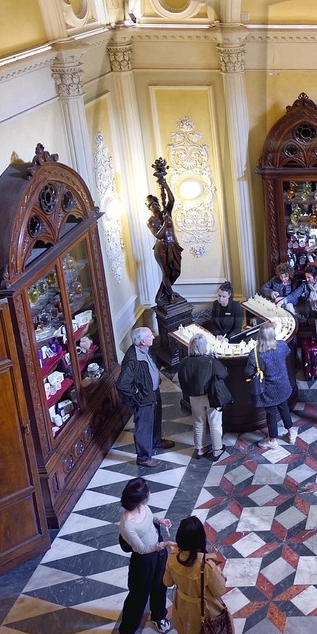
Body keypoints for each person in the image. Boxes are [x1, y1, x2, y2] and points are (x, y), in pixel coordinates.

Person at [164, 516, 230, 634]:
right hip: (204, 608)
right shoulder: (206, 565)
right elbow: (219, 590)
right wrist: (219, 572)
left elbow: (167, 582)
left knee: (191, 630)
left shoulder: (173, 556)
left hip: (182, 604)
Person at [117, 476, 176, 634]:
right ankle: (128, 631)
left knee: (160, 586)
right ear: (140, 498)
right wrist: (164, 544)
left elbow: (150, 516)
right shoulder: (127, 524)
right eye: (147, 492)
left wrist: (160, 521)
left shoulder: (142, 506)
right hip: (143, 563)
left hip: (158, 554)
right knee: (138, 597)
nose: (149, 493)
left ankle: (158, 616)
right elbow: (141, 549)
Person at [117, 327, 174, 466]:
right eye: (150, 336)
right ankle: (143, 457)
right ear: (143, 341)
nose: (153, 337)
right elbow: (122, 384)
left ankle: (155, 441)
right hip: (143, 399)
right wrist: (137, 392)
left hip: (153, 392)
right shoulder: (132, 359)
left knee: (155, 419)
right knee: (144, 426)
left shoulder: (146, 350)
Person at [178, 332, 230, 461]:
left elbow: (182, 381)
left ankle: (200, 449)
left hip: (194, 397)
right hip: (211, 396)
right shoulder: (210, 361)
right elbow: (223, 374)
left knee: (198, 422)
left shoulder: (184, 363)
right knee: (215, 422)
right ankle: (217, 450)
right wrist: (216, 359)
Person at [246, 322, 295, 448]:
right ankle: (291, 432)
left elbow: (248, 372)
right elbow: (287, 352)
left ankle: (272, 440)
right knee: (284, 407)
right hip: (283, 385)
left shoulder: (255, 354)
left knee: (271, 414)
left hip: (269, 390)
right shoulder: (282, 346)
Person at [146, 157, 185, 309]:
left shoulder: (165, 212)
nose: (155, 206)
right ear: (148, 207)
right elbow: (158, 235)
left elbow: (172, 200)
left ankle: (162, 292)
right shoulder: (151, 221)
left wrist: (165, 184)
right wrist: (166, 223)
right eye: (152, 204)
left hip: (173, 245)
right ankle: (170, 294)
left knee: (176, 271)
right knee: (166, 272)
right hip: (161, 248)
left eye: (156, 203)